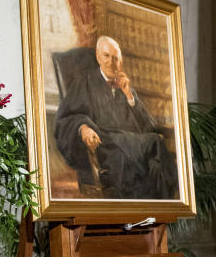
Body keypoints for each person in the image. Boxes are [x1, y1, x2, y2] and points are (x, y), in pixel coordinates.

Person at [55, 36, 177, 199]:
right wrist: (83, 127)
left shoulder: (125, 87)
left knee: (156, 164)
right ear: (98, 57)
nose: (111, 62)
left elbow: (149, 127)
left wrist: (130, 97)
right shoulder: (85, 82)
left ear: (121, 62)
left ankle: (157, 212)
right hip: (105, 147)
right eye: (106, 56)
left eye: (116, 58)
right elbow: (67, 118)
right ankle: (163, 209)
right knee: (155, 144)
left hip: (131, 145)